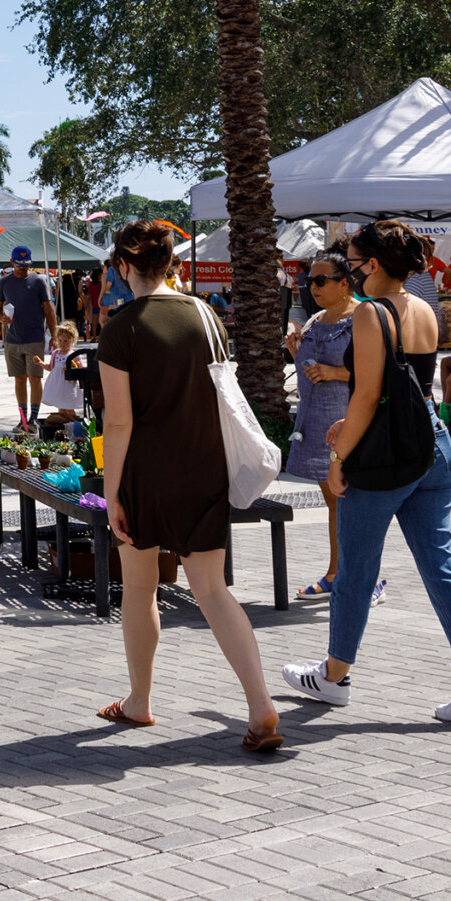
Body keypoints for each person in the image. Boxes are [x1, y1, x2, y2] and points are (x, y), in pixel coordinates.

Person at [282, 219, 451, 726]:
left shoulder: (369, 315)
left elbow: (367, 394)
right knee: (442, 566)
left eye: (356, 264)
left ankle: (335, 675)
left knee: (357, 570)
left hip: (385, 453)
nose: (353, 273)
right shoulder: (424, 308)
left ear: (374, 265)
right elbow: (405, 385)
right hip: (432, 442)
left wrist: (339, 460)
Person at [88, 218, 280, 746]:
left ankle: (139, 701)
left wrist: (111, 492)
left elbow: (120, 422)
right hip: (204, 466)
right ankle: (261, 703)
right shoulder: (205, 315)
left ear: (124, 266)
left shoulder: (121, 327)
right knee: (213, 590)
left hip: (147, 475)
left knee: (140, 587)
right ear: (169, 262)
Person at [287, 252, 360, 601]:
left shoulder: (363, 317)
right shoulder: (317, 320)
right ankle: (336, 573)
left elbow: (381, 372)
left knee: (353, 504)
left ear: (344, 282)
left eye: (320, 280)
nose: (312, 287)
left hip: (351, 423)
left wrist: (336, 372)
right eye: (309, 282)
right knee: (335, 503)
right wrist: (296, 351)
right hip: (318, 424)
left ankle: (362, 580)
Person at [0, 246, 53, 431]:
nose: (23, 268)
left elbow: (49, 309)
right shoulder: (4, 282)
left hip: (35, 338)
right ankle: (22, 419)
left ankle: (33, 419)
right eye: (19, 265)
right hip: (12, 340)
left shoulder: (38, 281)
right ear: (12, 263)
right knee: (19, 379)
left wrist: (54, 334)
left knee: (34, 378)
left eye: (26, 265)